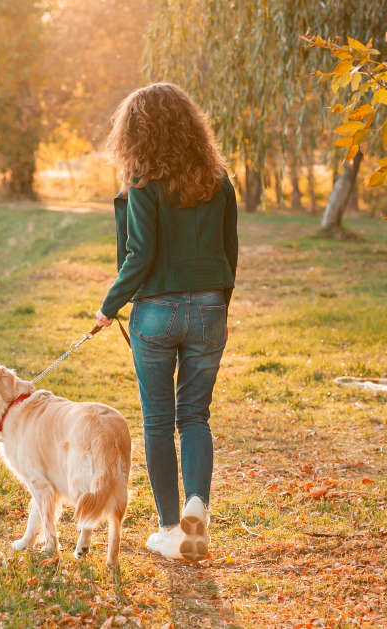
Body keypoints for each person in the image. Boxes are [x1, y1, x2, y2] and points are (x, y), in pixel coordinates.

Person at [95, 82, 238, 562]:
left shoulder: (141, 179)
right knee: (194, 416)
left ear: (135, 132)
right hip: (209, 307)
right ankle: (198, 501)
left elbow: (140, 255)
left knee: (158, 422)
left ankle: (170, 529)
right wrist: (219, 305)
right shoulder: (218, 179)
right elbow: (229, 252)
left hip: (155, 311)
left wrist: (108, 306)